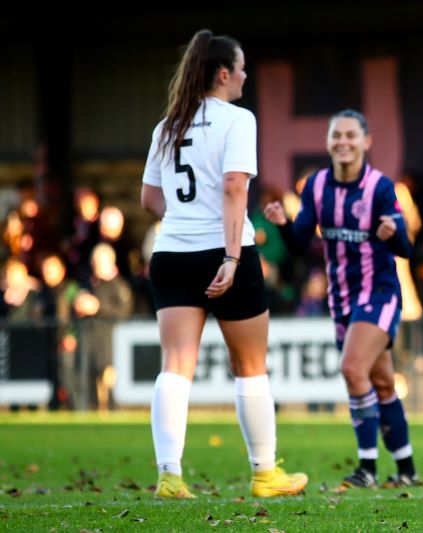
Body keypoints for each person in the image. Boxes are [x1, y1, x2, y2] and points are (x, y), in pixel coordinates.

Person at [140, 29, 307, 499]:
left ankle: (170, 476)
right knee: (250, 366)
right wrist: (231, 257)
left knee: (174, 365)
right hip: (225, 251)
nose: (245, 76)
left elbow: (150, 198)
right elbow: (236, 187)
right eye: (241, 67)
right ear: (223, 73)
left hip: (171, 252)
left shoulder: (167, 125)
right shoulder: (237, 119)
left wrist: (186, 223)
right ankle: (265, 474)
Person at [264, 109, 419, 489]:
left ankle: (366, 468)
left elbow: (405, 248)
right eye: (337, 135)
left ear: (366, 142)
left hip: (379, 294)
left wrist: (392, 233)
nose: (343, 142)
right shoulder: (316, 186)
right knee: (382, 382)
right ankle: (408, 470)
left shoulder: (381, 188)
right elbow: (300, 244)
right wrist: (284, 224)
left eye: (351, 135)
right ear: (328, 141)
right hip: (342, 299)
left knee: (352, 369)